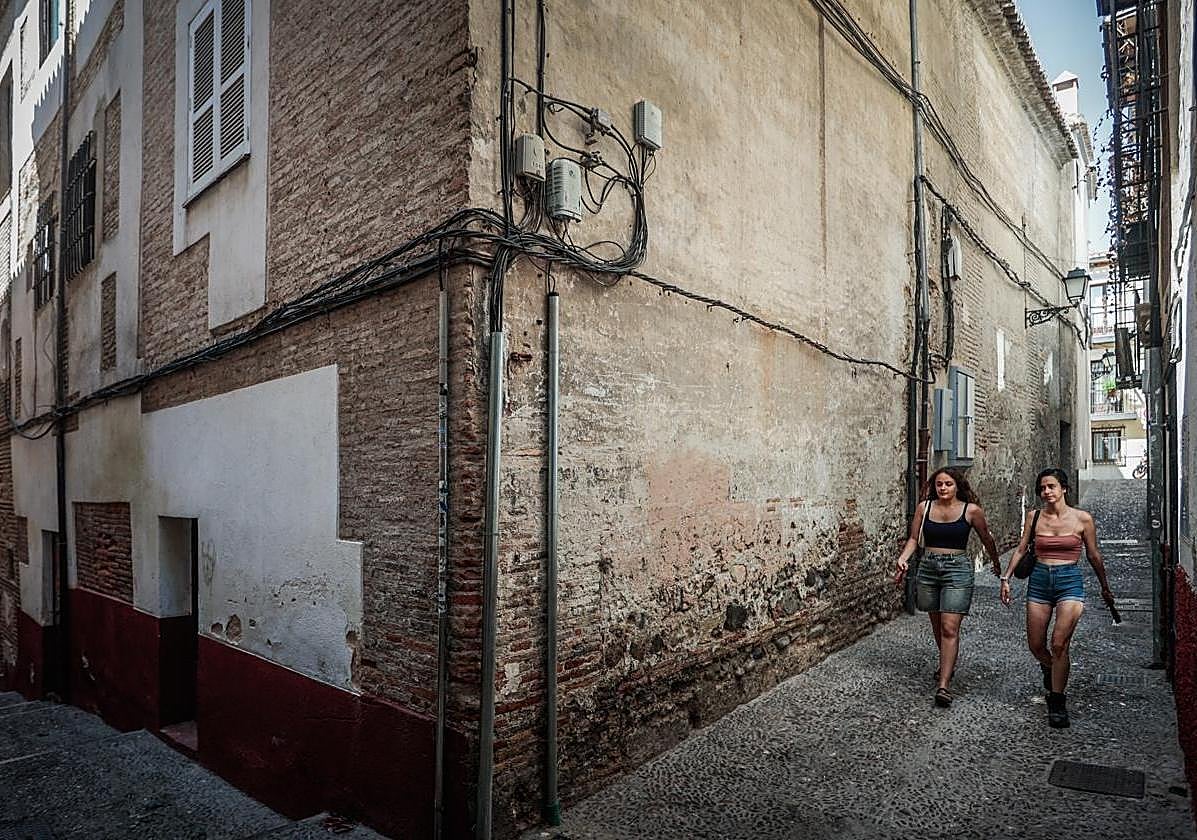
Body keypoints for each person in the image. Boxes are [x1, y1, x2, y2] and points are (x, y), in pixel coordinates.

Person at [1000, 468, 1115, 728]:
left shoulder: (1083, 519)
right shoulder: (1034, 516)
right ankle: (1052, 669)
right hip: (1039, 581)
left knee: (1059, 643)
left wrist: (1105, 587)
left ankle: (1057, 699)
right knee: (1036, 645)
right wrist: (1005, 578)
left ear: (1064, 488)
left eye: (1051, 486)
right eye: (1042, 488)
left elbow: (1094, 556)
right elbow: (1020, 549)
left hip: (1069, 582)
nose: (1046, 492)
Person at [895, 468, 1001, 708]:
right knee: (937, 625)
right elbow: (914, 539)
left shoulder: (971, 511)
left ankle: (943, 685)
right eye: (939, 484)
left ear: (957, 486)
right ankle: (947, 665)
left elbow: (987, 538)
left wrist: (995, 562)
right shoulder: (924, 508)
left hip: (957, 570)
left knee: (949, 627)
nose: (943, 488)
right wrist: (903, 558)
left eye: (948, 484)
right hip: (929, 568)